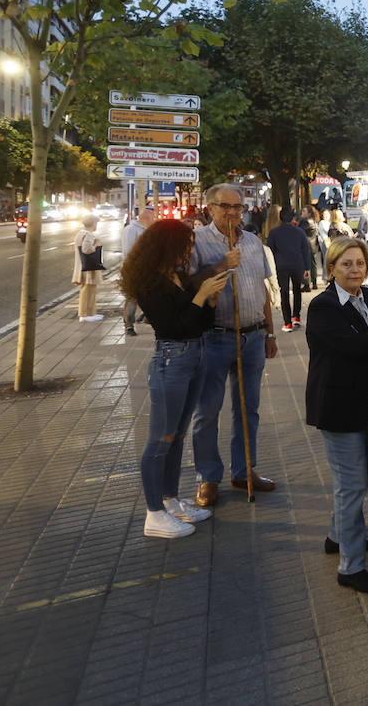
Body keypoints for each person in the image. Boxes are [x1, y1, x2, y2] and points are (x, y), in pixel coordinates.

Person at [121, 220, 229, 539]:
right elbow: (173, 327)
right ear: (166, 246)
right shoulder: (150, 283)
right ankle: (154, 513)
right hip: (172, 359)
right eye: (185, 244)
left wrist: (209, 300)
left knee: (177, 436)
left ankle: (170, 501)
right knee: (160, 440)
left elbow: (199, 324)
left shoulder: (178, 276)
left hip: (194, 355)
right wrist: (200, 297)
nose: (189, 250)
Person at [305, 237, 368, 593]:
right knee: (352, 485)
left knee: (359, 479)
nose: (354, 269)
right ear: (331, 268)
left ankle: (337, 536)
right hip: (339, 408)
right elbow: (352, 345)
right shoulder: (324, 306)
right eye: (346, 264)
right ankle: (351, 567)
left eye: (359, 263)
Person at [189, 184, 279, 508]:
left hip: (253, 336)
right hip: (214, 337)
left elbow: (264, 290)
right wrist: (220, 265)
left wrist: (270, 332)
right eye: (225, 206)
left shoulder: (254, 242)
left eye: (237, 207)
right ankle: (208, 478)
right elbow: (189, 286)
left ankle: (244, 471)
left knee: (247, 409)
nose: (232, 213)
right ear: (209, 208)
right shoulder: (198, 241)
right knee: (207, 412)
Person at [268, 207, 314, 332]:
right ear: (293, 218)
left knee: (284, 292)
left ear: (280, 218)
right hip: (297, 264)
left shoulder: (274, 233)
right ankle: (297, 316)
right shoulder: (299, 232)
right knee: (297, 290)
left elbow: (270, 251)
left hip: (281, 265)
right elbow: (305, 250)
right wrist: (307, 267)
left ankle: (287, 323)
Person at [121, 206, 156, 336]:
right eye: (153, 217)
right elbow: (129, 251)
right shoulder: (131, 230)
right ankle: (129, 325)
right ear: (145, 218)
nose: (155, 219)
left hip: (147, 269)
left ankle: (147, 317)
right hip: (134, 270)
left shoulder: (146, 230)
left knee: (149, 295)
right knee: (132, 298)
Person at [72, 214, 105, 323]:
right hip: (89, 269)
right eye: (96, 223)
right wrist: (95, 245)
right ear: (93, 224)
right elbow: (86, 249)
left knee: (87, 290)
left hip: (83, 267)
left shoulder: (80, 234)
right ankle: (86, 314)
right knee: (89, 291)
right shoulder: (89, 235)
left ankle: (89, 313)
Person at [300, 206, 326, 288]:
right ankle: (314, 283)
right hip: (313, 245)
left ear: (309, 213)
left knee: (306, 265)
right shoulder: (314, 221)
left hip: (307, 245)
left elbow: (300, 232)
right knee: (313, 264)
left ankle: (307, 284)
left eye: (304, 211)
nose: (302, 213)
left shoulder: (305, 222)